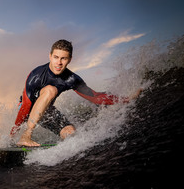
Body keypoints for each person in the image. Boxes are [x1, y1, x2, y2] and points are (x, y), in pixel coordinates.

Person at [11, 39, 142, 147]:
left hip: (46, 111)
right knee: (51, 90)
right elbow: (25, 105)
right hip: (26, 110)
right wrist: (14, 132)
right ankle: (26, 136)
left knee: (71, 132)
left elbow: (95, 97)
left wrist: (125, 99)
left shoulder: (72, 79)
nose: (59, 63)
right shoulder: (36, 75)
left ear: (70, 59)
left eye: (63, 58)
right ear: (50, 56)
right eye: (56, 57)